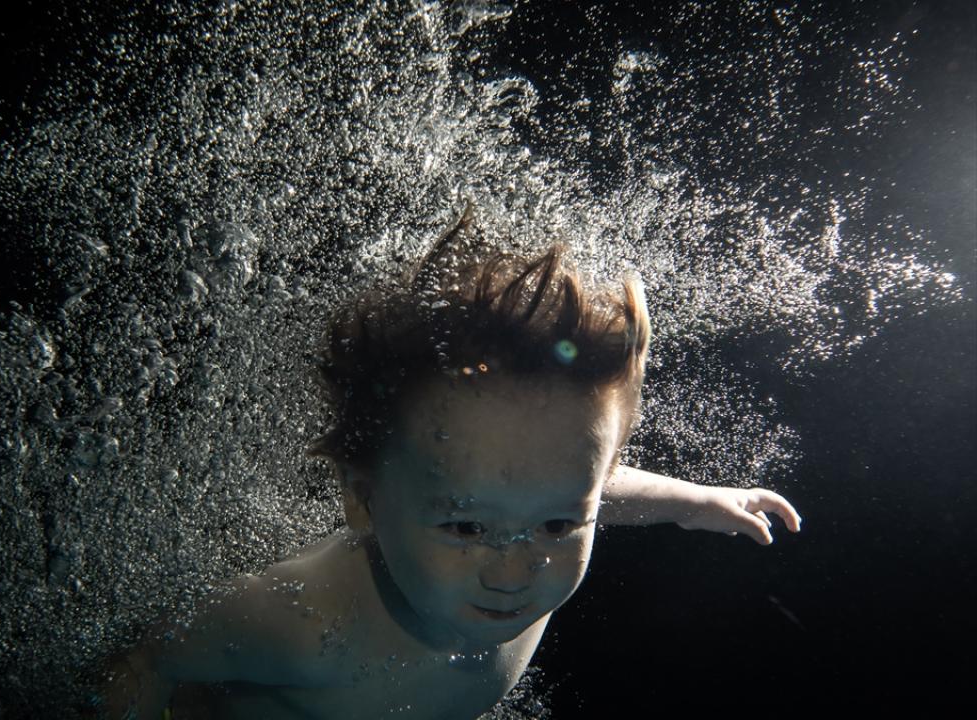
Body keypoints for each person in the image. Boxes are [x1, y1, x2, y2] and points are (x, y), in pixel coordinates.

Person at [83, 204, 802, 719]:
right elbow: (145, 657)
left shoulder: (517, 525)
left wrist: (692, 501)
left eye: (559, 523)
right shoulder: (308, 628)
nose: (516, 570)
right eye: (463, 528)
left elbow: (599, 488)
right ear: (362, 500)